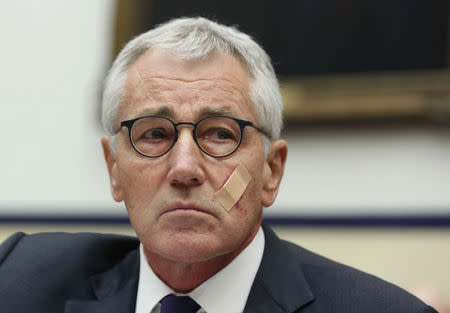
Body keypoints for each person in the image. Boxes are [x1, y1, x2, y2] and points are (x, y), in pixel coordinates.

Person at [0, 17, 437, 313]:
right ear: (114, 168)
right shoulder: (19, 279)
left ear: (271, 170)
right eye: (154, 134)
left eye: (219, 134)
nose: (184, 167)